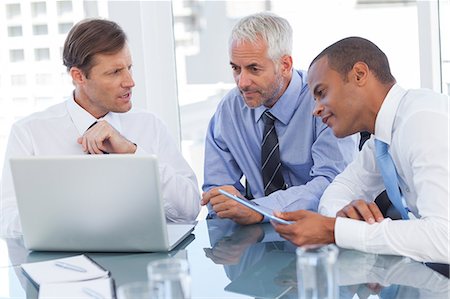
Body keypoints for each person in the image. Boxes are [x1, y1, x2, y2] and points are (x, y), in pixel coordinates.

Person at [0, 18, 200, 237]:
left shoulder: (149, 125)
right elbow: (7, 221)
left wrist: (133, 154)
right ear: (78, 76)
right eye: (114, 72)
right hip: (65, 265)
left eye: (129, 68)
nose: (130, 81)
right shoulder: (29, 133)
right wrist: (67, 215)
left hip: (144, 263)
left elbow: (189, 210)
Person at [273, 36, 449, 263]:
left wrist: (336, 231)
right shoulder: (381, 141)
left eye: (322, 92)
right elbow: (338, 191)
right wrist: (343, 217)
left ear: (359, 74)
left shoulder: (422, 121)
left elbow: (445, 238)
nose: (315, 110)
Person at [201, 12, 357, 225]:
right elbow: (216, 188)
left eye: (254, 69)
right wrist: (224, 202)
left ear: (285, 65)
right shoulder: (230, 109)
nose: (242, 82)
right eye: (236, 69)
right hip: (255, 240)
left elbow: (332, 183)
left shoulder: (323, 102)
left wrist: (258, 210)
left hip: (319, 232)